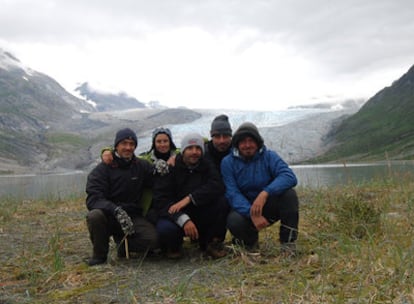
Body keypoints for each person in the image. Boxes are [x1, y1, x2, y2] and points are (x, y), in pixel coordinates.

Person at [221, 122, 299, 255]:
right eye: (243, 141)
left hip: (267, 206)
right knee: (234, 221)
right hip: (244, 210)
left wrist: (266, 192)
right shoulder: (228, 162)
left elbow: (289, 176)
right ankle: (250, 243)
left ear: (258, 142)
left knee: (289, 195)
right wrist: (252, 214)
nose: (247, 145)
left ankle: (288, 243)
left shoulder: (269, 156)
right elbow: (232, 192)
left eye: (251, 141)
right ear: (237, 144)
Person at [147, 132, 228, 259]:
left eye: (197, 148)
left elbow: (217, 185)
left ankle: (210, 243)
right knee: (166, 229)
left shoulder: (206, 164)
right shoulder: (171, 167)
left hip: (198, 210)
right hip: (176, 214)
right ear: (183, 150)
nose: (194, 152)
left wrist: (190, 198)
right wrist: (183, 219)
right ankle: (174, 246)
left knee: (222, 203)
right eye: (190, 148)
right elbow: (161, 200)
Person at [85, 128, 158, 266]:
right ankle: (99, 255)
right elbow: (93, 198)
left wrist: (166, 165)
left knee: (153, 240)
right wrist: (115, 210)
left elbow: (157, 178)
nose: (128, 147)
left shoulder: (141, 165)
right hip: (108, 215)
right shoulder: (102, 169)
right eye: (124, 143)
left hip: (133, 216)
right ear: (116, 145)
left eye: (131, 144)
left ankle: (123, 244)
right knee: (94, 216)